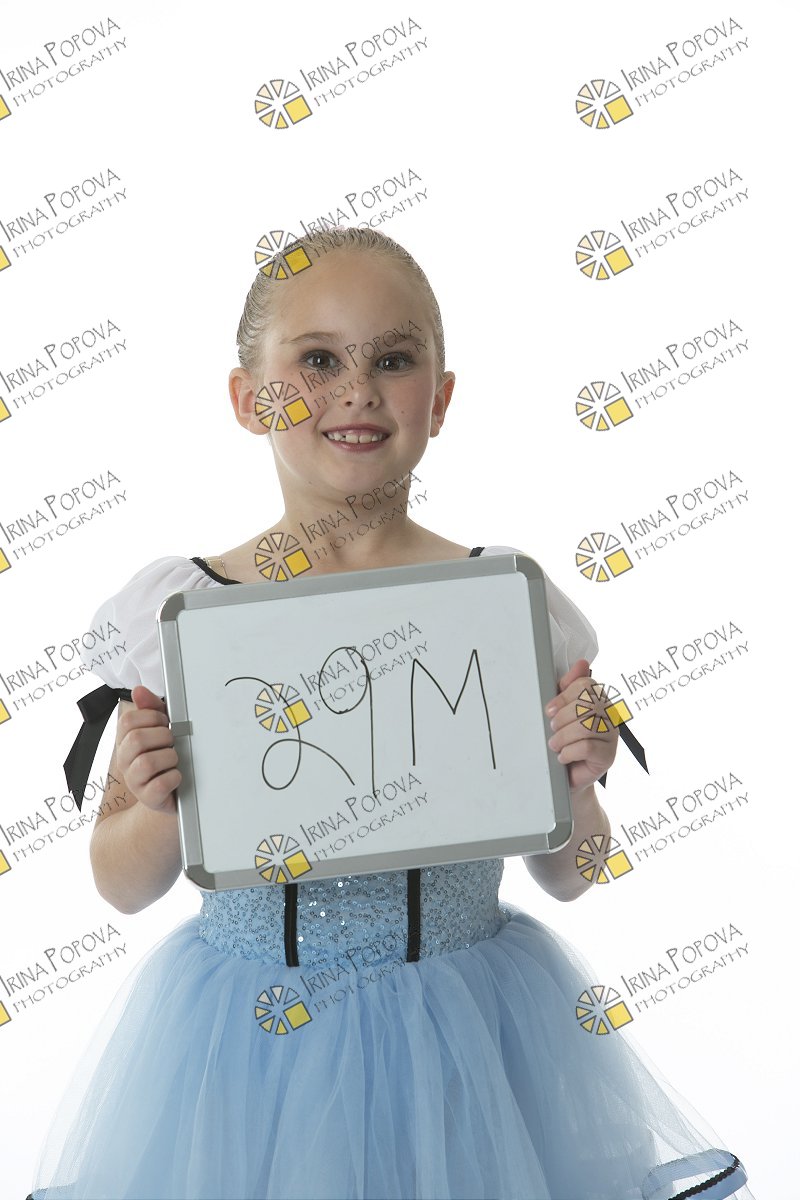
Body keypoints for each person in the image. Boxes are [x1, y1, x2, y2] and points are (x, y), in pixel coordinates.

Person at [28, 227, 752, 1200]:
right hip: (249, 1046)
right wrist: (156, 801)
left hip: (467, 1039)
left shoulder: (501, 605)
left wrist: (578, 783)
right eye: (318, 359)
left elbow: (572, 873)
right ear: (248, 399)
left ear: (440, 400)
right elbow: (120, 885)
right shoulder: (181, 617)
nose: (357, 391)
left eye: (394, 360)